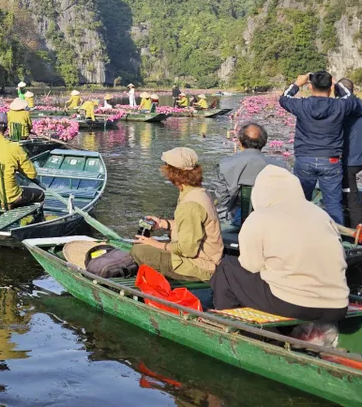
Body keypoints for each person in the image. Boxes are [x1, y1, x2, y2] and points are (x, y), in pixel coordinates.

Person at [211, 166, 349, 323]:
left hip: (292, 303)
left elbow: (251, 266)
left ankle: (231, 327)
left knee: (227, 267)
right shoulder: (322, 215)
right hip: (338, 305)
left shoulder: (259, 217)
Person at [279, 71, 362, 225]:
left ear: (311, 87)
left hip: (305, 159)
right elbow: (351, 98)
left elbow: (283, 98)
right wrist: (336, 83)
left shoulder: (302, 105)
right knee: (333, 205)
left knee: (300, 201)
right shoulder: (340, 106)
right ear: (330, 87)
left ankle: (300, 236)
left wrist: (297, 84)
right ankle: (335, 239)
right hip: (331, 161)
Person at [131, 147, 224, 281]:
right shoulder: (198, 192)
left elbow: (187, 250)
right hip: (207, 259)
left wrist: (156, 244)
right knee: (145, 246)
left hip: (202, 266)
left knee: (138, 251)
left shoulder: (190, 205)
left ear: (174, 174)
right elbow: (189, 227)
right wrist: (164, 224)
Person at [213, 122, 286, 225]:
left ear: (240, 142)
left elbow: (222, 199)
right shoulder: (281, 166)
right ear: (264, 142)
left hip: (236, 218)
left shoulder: (225, 164)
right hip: (269, 218)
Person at [337, 79, 362, 229]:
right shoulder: (352, 106)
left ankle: (358, 227)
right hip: (354, 157)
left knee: (350, 194)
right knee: (343, 189)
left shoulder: (355, 105)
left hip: (352, 159)